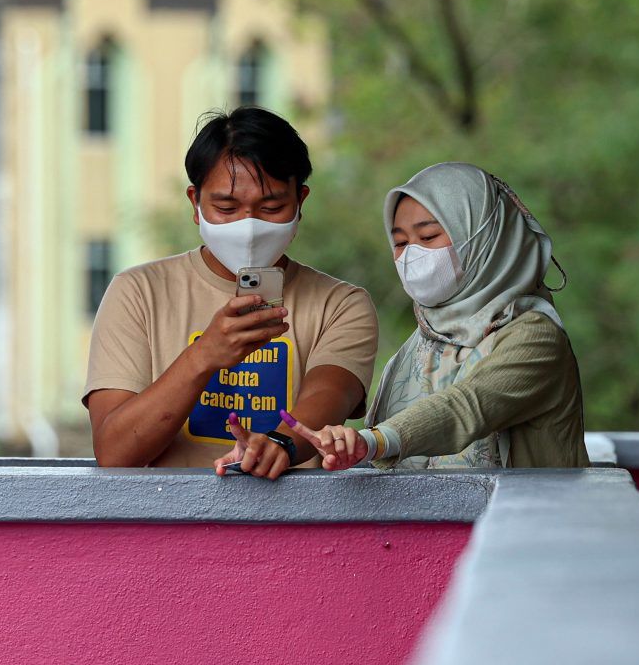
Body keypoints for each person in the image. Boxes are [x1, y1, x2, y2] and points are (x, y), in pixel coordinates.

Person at [83, 107, 378, 478]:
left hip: (295, 528)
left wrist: (279, 444)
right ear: (195, 203)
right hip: (167, 525)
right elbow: (114, 451)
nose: (249, 226)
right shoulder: (138, 293)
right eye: (226, 207)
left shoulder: (340, 304)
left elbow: (330, 395)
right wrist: (204, 355)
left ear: (300, 202)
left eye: (271, 207)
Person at [274, 162, 589, 470]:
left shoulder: (536, 336)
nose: (411, 254)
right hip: (436, 522)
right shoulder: (425, 340)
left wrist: (374, 442)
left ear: (483, 240)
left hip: (518, 521)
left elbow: (466, 407)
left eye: (427, 238)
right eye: (399, 242)